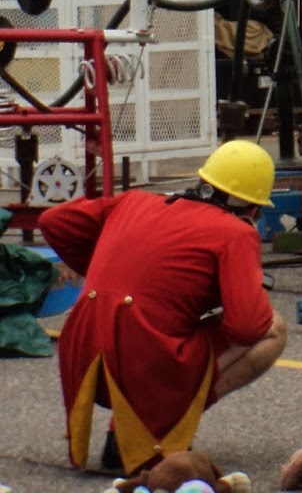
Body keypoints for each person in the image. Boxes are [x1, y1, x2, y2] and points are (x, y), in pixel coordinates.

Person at [39, 139, 286, 477]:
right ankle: (162, 433)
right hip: (141, 365)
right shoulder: (235, 233)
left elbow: (54, 220)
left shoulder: (135, 201)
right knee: (274, 329)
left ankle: (127, 431)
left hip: (82, 358)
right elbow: (247, 327)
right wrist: (234, 289)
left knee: (162, 322)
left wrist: (105, 270)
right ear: (255, 209)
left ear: (203, 181)